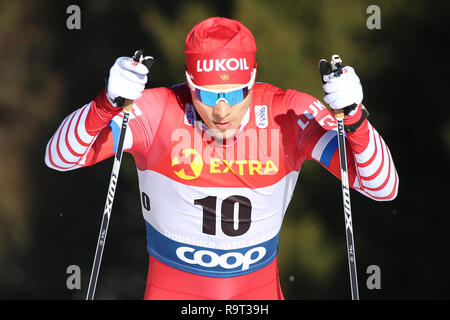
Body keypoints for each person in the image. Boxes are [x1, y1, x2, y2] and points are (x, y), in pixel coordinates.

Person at [45, 17, 398, 300]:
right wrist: (106, 103)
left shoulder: (287, 115)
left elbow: (382, 187)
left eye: (235, 92)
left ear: (253, 78)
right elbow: (60, 157)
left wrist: (354, 118)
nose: (222, 109)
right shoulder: (160, 112)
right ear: (189, 82)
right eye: (207, 94)